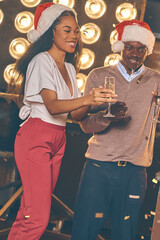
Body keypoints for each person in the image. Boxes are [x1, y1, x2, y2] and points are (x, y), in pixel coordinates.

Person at [6, 3, 115, 240]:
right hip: (36, 137)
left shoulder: (68, 67)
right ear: (50, 32)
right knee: (38, 218)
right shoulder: (41, 61)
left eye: (76, 31)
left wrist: (94, 98)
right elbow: (53, 106)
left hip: (58, 138)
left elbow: (75, 115)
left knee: (28, 212)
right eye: (67, 30)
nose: (74, 35)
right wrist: (87, 97)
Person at [71, 19, 160, 240]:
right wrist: (108, 118)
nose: (135, 53)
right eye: (130, 47)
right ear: (121, 47)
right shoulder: (98, 76)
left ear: (147, 51)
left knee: (125, 235)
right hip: (98, 167)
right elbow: (84, 124)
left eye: (141, 49)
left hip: (134, 172)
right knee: (84, 232)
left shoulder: (159, 80)